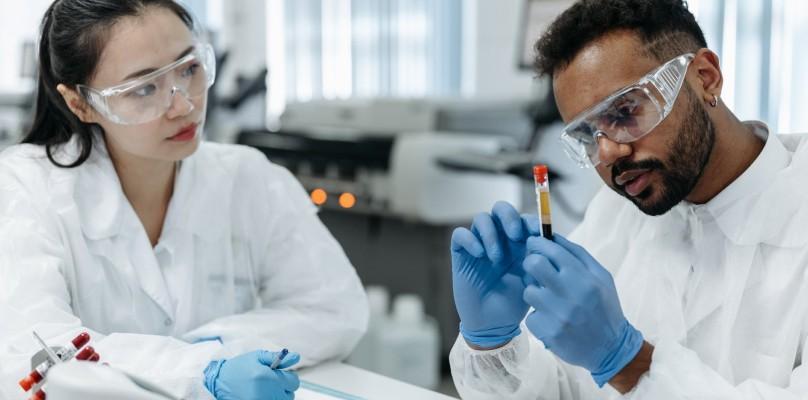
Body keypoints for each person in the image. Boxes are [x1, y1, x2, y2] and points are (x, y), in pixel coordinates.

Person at [0, 1, 368, 399]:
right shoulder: (25, 186)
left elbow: (335, 308)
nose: (185, 105)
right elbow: (33, 351)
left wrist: (216, 348)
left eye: (189, 69)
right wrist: (199, 370)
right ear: (81, 103)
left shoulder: (248, 178)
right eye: (144, 88)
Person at [449, 0, 808, 398]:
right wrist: (493, 345)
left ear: (705, 78)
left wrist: (627, 363)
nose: (607, 153)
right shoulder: (618, 214)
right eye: (587, 134)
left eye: (625, 111)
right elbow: (564, 386)